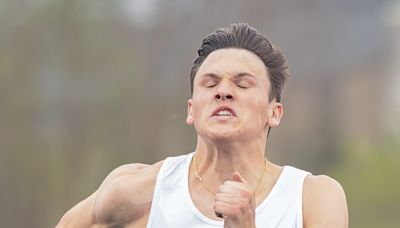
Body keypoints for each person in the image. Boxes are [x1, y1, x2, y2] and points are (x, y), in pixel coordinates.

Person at [56, 23, 348, 228]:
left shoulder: (312, 198)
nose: (223, 91)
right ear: (192, 110)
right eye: (210, 83)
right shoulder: (138, 191)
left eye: (242, 84)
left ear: (275, 113)